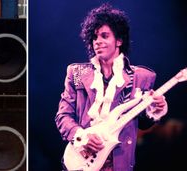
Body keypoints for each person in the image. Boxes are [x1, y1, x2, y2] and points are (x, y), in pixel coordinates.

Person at [55, 3, 168, 171]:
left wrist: (156, 109)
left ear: (119, 40)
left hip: (118, 163)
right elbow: (63, 116)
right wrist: (82, 136)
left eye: (104, 36)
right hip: (81, 160)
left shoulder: (141, 77)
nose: (97, 42)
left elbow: (142, 123)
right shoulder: (76, 73)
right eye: (94, 38)